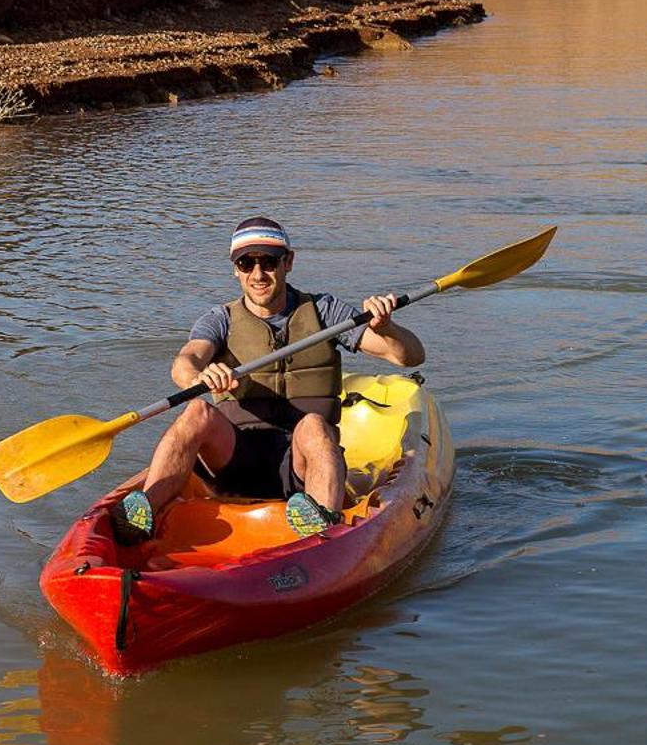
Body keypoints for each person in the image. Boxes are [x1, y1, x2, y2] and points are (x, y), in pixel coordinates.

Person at [111, 216, 425, 544]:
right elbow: (184, 363)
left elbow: (409, 357)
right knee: (195, 413)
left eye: (269, 262)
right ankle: (142, 513)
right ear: (236, 269)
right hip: (238, 460)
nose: (258, 274)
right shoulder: (220, 320)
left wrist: (386, 328)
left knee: (315, 425)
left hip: (302, 467)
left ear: (288, 262)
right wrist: (200, 375)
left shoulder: (324, 311)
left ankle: (322, 526)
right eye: (247, 263)